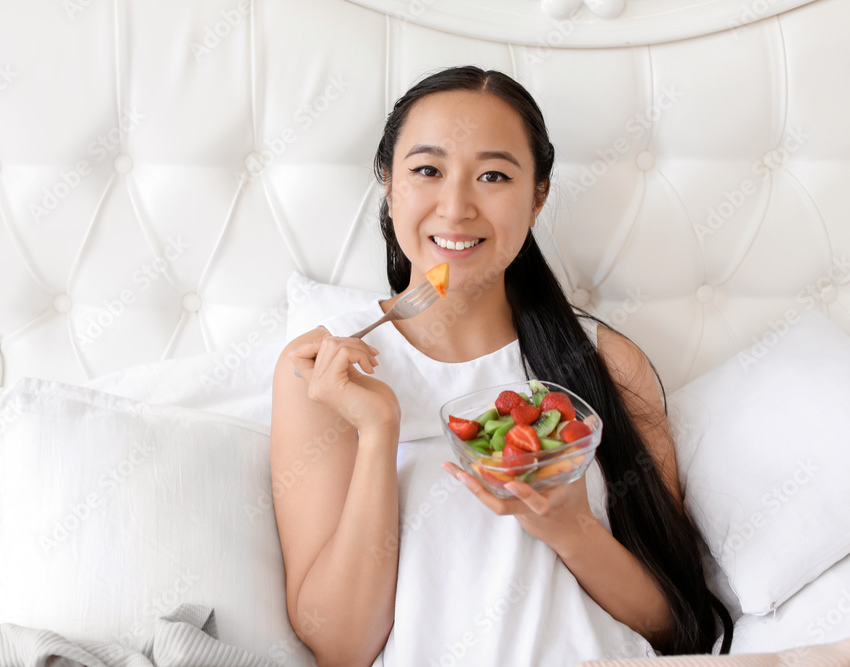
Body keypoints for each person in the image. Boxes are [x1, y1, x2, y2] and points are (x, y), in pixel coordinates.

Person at [270, 65, 732, 666]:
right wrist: (379, 430)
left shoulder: (606, 364)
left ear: (538, 195)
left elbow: (677, 628)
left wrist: (569, 525)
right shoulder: (322, 372)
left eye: (493, 175)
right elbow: (339, 645)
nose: (456, 206)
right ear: (388, 183)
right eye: (427, 170)